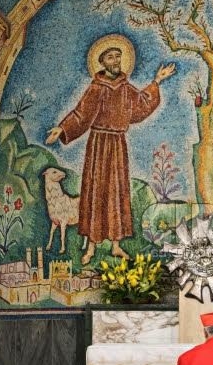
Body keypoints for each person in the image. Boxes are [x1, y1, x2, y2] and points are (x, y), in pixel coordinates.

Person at [46, 35, 175, 265]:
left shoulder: (125, 88)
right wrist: (62, 128)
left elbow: (142, 104)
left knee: (117, 192)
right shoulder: (96, 87)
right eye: (110, 57)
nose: (115, 60)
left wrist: (156, 82)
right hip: (98, 144)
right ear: (102, 62)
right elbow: (81, 113)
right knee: (96, 192)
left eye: (118, 56)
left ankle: (116, 246)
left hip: (117, 145)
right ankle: (91, 248)